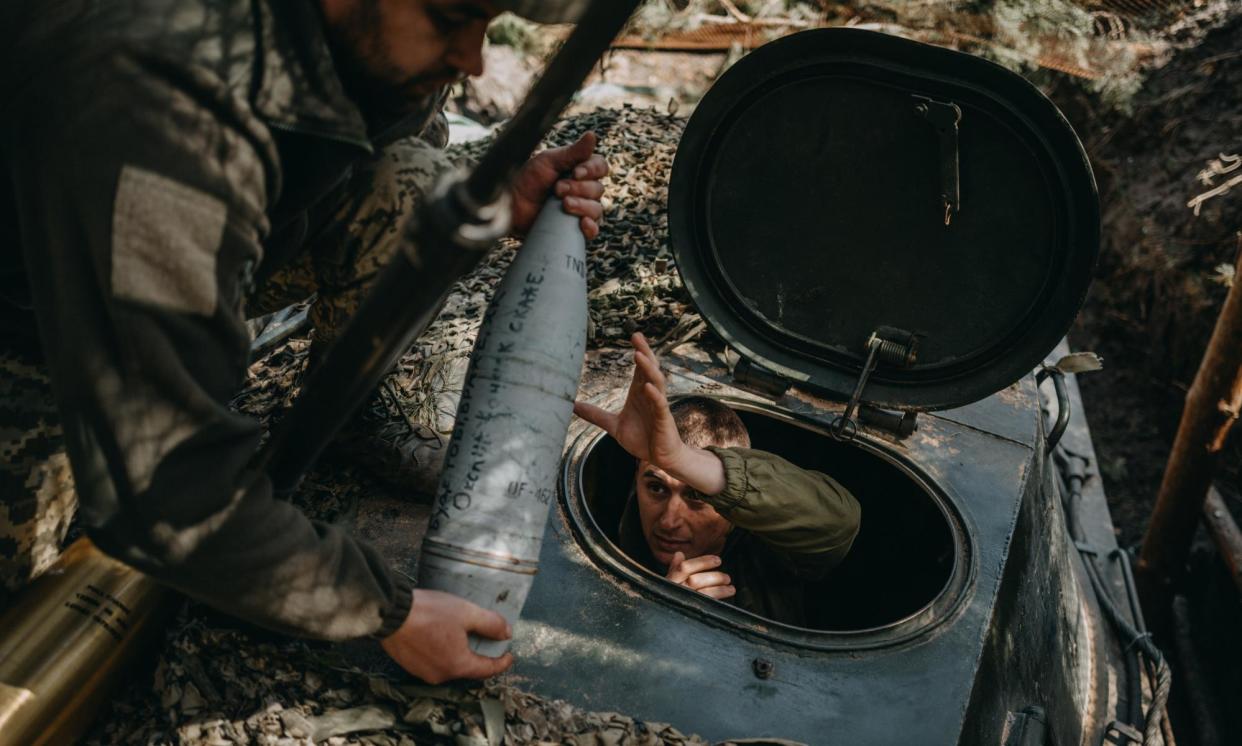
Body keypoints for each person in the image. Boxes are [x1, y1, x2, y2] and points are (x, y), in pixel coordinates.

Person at [0, 0, 606, 684]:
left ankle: (346, 423)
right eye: (448, 18)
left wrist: (498, 200)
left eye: (484, 22)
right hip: (29, 305)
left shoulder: (367, 39)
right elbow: (164, 491)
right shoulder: (164, 93)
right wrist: (384, 611)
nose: (472, 57)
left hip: (208, 236)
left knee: (415, 182)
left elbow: (379, 159)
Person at [573, 333, 862, 626]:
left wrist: (682, 461)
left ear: (732, 502)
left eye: (697, 495)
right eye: (656, 488)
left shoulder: (770, 551)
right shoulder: (605, 523)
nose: (669, 521)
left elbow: (839, 522)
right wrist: (661, 614)